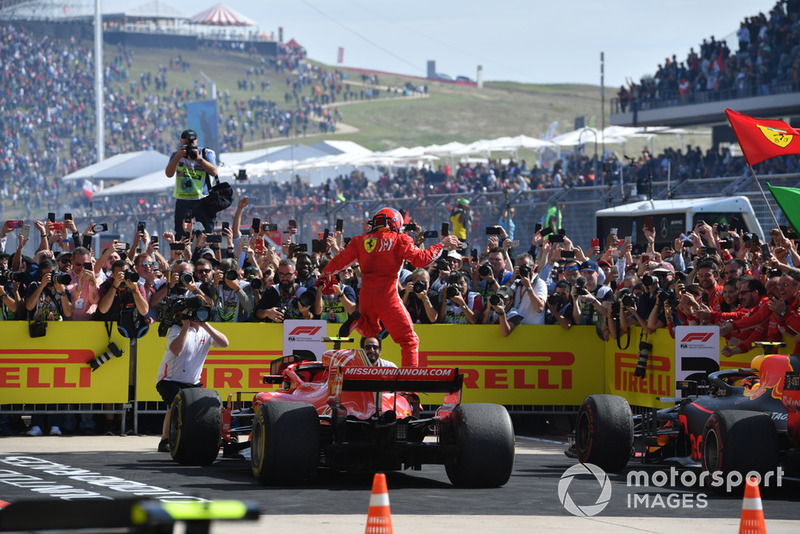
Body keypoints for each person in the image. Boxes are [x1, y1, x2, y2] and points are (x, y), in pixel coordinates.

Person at [323, 207, 458, 367]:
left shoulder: (359, 241)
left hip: (366, 296)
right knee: (409, 340)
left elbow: (335, 265)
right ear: (395, 223)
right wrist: (442, 244)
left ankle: (357, 320)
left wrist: (326, 275)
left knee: (371, 332)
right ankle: (408, 384)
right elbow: (421, 260)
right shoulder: (400, 239)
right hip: (388, 297)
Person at [155, 304, 229, 452]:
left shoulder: (206, 331)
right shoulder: (176, 330)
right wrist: (185, 326)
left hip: (192, 382)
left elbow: (224, 343)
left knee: (200, 409)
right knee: (176, 403)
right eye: (196, 313)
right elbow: (177, 350)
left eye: (201, 313)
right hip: (169, 379)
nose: (198, 316)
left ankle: (202, 438)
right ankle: (165, 440)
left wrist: (205, 324)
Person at [165, 129, 218, 239]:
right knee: (181, 235)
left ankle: (207, 254)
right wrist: (178, 156)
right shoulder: (176, 155)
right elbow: (169, 174)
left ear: (197, 142)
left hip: (202, 199)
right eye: (186, 144)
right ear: (181, 142)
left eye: (191, 143)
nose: (189, 147)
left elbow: (214, 171)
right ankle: (181, 255)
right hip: (183, 200)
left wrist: (198, 159)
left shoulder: (206, 153)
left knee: (206, 234)